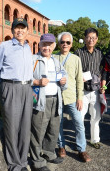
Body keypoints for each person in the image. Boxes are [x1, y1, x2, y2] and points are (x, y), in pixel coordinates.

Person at [0, 18, 33, 171]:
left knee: (24, 127)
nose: (20, 31)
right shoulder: (5, 46)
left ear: (27, 30)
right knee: (12, 127)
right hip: (11, 88)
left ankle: (22, 161)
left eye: (23, 28)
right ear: (12, 30)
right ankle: (14, 165)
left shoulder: (28, 48)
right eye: (17, 28)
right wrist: (6, 87)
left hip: (26, 89)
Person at [30, 33, 67, 171]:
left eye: (49, 44)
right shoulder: (33, 59)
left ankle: (49, 153)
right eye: (44, 44)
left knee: (53, 129)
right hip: (40, 100)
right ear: (39, 45)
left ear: (54, 46)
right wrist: (37, 82)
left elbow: (65, 79)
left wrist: (64, 81)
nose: (47, 47)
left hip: (55, 100)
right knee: (38, 130)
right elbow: (24, 78)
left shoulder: (56, 61)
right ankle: (37, 161)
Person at [54, 32, 91, 162]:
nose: (65, 44)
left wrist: (80, 97)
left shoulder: (76, 59)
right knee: (58, 123)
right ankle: (61, 146)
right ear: (59, 43)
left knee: (79, 124)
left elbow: (79, 80)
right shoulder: (53, 58)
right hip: (56, 96)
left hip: (71, 97)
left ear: (71, 44)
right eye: (63, 42)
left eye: (68, 42)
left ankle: (82, 150)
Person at [74, 28, 104, 150]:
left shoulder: (100, 53)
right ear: (85, 38)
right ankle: (80, 142)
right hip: (82, 90)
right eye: (88, 37)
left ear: (96, 39)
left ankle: (95, 140)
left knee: (96, 117)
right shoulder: (78, 52)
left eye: (93, 38)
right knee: (80, 117)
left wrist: (103, 84)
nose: (91, 40)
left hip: (96, 91)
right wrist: (79, 77)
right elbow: (74, 69)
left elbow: (104, 70)